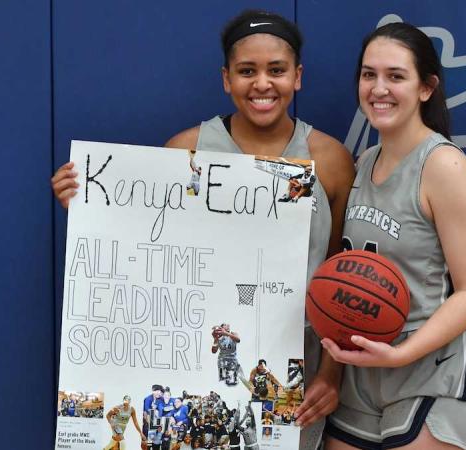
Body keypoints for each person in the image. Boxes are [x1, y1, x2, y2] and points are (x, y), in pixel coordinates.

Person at [51, 9, 356, 449]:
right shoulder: (187, 149)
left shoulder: (329, 159)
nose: (262, 84)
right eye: (247, 71)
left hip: (293, 373)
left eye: (277, 70)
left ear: (298, 76)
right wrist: (86, 207)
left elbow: (337, 277)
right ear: (226, 79)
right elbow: (147, 250)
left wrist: (331, 373)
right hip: (191, 364)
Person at [320, 23, 466, 450]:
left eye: (395, 76)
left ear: (425, 88)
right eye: (368, 75)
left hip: (432, 374)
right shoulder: (361, 163)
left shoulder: (443, 166)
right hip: (363, 372)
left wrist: (401, 353)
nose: (379, 88)